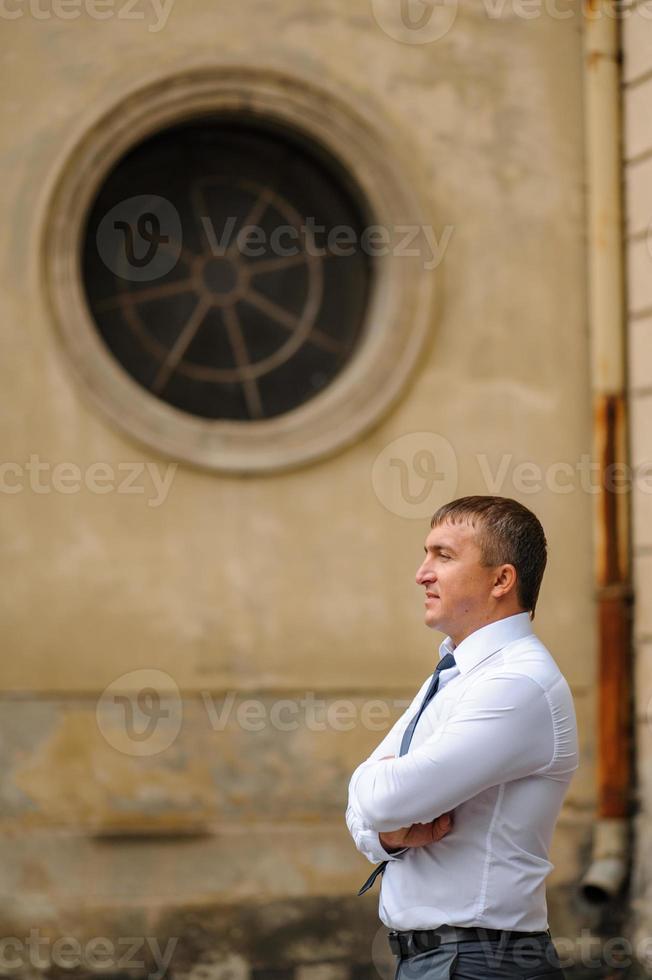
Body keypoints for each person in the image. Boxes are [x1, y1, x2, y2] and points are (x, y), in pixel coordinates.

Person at [346, 495, 578, 979]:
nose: (422, 573)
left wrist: (377, 805)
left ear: (501, 580)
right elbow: (368, 814)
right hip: (444, 961)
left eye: (443, 556)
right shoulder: (458, 671)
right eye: (426, 553)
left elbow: (379, 797)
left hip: (478, 962)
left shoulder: (517, 683)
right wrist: (385, 832)